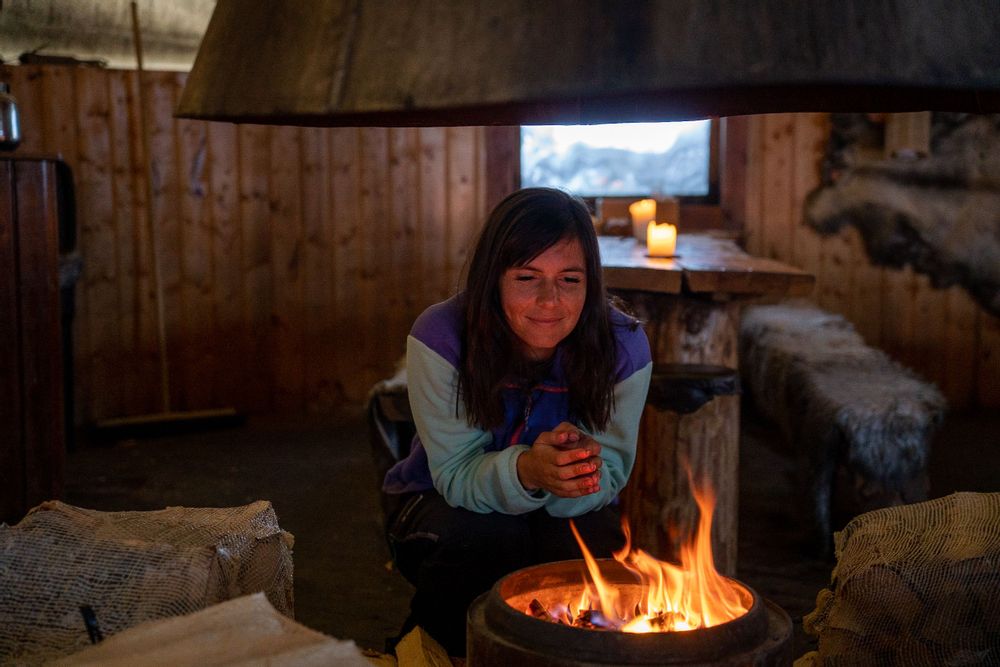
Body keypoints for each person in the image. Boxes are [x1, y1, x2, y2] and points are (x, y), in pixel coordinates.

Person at [382, 187, 652, 655]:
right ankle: (438, 650)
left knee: (591, 550)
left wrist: (569, 473)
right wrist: (528, 469)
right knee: (487, 540)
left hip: (563, 511)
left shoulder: (622, 347)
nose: (550, 300)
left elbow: (608, 473)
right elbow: (455, 474)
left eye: (570, 279)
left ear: (591, 283)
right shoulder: (442, 335)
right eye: (527, 277)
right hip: (436, 500)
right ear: (493, 279)